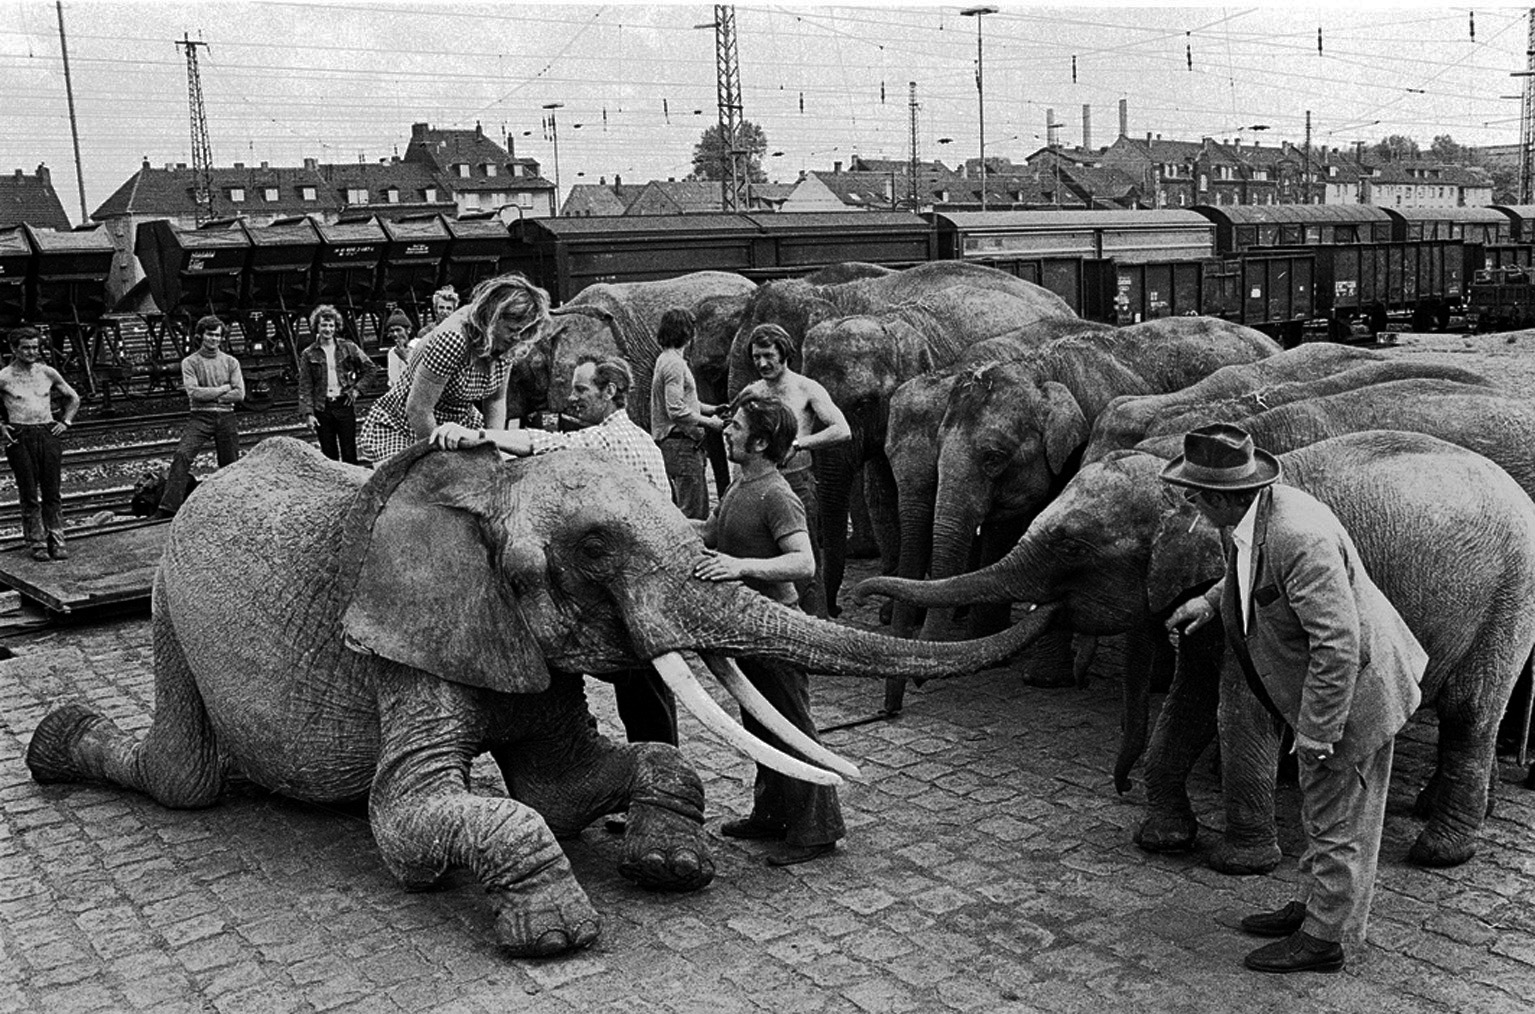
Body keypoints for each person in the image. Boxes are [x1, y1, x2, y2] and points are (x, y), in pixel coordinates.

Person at [1162, 423, 1425, 975]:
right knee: (1319, 806)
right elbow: (1251, 573)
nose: (1189, 502)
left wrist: (1320, 732)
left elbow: (1338, 643)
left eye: (1193, 494)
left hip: (1355, 691)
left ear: (1219, 495)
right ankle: (1313, 905)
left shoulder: (1295, 535)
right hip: (1318, 689)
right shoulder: (1251, 516)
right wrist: (1210, 604)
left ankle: (1327, 938)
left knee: (1341, 819)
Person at [430, 355, 675, 749]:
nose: (572, 398)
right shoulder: (645, 439)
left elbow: (544, 442)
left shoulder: (608, 439)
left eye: (581, 389)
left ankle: (660, 777)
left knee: (643, 694)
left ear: (609, 392)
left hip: (630, 589)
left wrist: (480, 436)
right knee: (648, 693)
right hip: (648, 582)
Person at [693, 394, 844, 866]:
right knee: (760, 723)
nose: (726, 431)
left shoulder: (778, 495)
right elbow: (711, 533)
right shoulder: (741, 486)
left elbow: (803, 563)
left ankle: (817, 828)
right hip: (745, 629)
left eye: (735, 426)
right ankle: (773, 812)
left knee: (792, 726)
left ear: (759, 441)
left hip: (775, 629)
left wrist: (740, 567)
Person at [360, 273, 548, 467]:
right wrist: (442, 461)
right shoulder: (453, 339)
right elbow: (418, 410)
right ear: (493, 317)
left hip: (459, 424)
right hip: (406, 426)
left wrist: (494, 447)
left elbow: (495, 400)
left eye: (523, 332)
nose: (518, 337)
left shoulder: (505, 345)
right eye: (512, 329)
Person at [735, 324, 851, 619]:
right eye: (756, 357)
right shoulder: (752, 392)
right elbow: (734, 430)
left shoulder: (806, 388)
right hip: (755, 487)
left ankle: (818, 627)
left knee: (805, 564)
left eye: (768, 355)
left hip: (795, 485)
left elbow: (842, 430)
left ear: (784, 353)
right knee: (758, 558)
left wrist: (798, 444)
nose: (762, 363)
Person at [0, 327, 80, 561]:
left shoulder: (47, 373)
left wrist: (65, 422)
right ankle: (37, 542)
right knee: (29, 493)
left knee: (52, 491)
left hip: (47, 433)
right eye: (25, 347)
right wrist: (2, 426)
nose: (31, 352)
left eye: (35, 347)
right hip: (20, 435)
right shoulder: (4, 376)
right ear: (14, 349)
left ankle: (57, 539)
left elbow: (74, 398)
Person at [158, 315, 245, 517]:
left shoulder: (231, 362)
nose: (213, 339)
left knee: (230, 462)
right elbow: (194, 393)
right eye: (209, 334)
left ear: (222, 338)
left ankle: (233, 506)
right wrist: (224, 389)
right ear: (200, 336)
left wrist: (209, 394)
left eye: (217, 335)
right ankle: (168, 508)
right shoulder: (190, 362)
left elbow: (239, 394)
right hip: (200, 417)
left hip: (226, 417)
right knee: (182, 455)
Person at [650, 307, 724, 520]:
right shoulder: (674, 364)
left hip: (675, 445)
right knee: (693, 515)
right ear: (687, 334)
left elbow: (683, 403)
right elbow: (675, 410)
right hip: (681, 446)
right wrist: (711, 423)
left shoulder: (665, 359)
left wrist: (712, 409)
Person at [298, 305, 380, 465]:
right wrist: (308, 413)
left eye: (331, 325)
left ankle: (353, 487)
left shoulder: (348, 348)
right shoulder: (308, 354)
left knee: (349, 452)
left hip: (344, 404)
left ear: (336, 327)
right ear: (317, 326)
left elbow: (371, 369)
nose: (327, 329)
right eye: (323, 325)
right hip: (322, 408)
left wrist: (357, 390)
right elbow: (305, 384)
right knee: (329, 455)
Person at [384, 309, 414, 387]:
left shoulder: (420, 346)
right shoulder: (392, 353)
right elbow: (392, 382)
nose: (395, 334)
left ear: (408, 330)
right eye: (392, 331)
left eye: (398, 330)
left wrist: (405, 358)